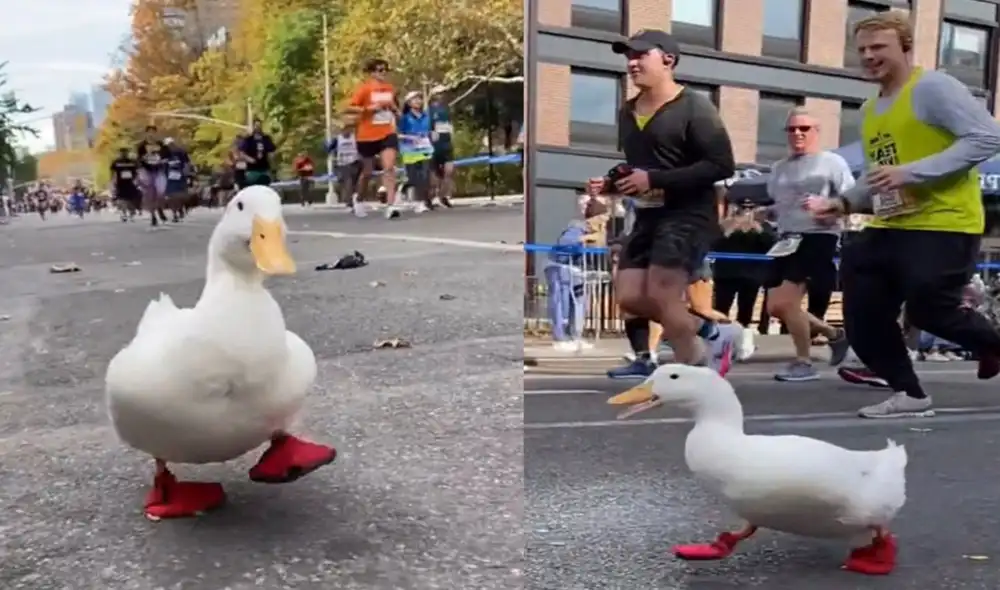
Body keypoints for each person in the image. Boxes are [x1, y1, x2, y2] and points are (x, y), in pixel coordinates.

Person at [807, 12, 1000, 418]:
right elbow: (879, 176)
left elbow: (987, 137)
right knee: (861, 310)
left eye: (879, 47)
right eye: (862, 49)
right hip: (890, 224)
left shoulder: (932, 87)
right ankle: (910, 394)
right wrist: (842, 202)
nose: (868, 56)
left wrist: (912, 172)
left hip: (944, 223)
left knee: (930, 311)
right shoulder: (871, 108)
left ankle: (991, 341)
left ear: (905, 47)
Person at [590, 29, 742, 377]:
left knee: (662, 292)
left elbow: (721, 165)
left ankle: (695, 371)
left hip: (689, 213)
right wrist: (612, 183)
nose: (632, 62)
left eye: (641, 55)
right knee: (629, 297)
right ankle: (714, 334)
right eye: (628, 56)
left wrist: (654, 180)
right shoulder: (628, 111)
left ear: (668, 60)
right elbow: (640, 168)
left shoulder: (695, 106)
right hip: (647, 215)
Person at [761, 107, 853, 382]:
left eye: (804, 129)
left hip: (818, 237)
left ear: (816, 132)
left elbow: (851, 201)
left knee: (786, 302)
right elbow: (780, 205)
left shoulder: (832, 163)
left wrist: (827, 208)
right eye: (792, 129)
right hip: (786, 239)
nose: (798, 134)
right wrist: (769, 213)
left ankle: (804, 361)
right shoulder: (779, 168)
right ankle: (834, 335)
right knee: (775, 307)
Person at [349, 58, 401, 219]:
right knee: (368, 172)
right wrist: (369, 108)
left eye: (385, 69)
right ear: (371, 72)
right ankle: (358, 199)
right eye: (379, 70)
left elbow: (397, 111)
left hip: (387, 132)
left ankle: (391, 206)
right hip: (367, 135)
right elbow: (350, 108)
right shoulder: (364, 89)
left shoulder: (390, 89)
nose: (383, 73)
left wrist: (395, 110)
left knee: (389, 168)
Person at [397, 90, 435, 212]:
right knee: (413, 177)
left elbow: (429, 131)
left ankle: (423, 201)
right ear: (408, 103)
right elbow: (397, 134)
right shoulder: (404, 118)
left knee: (425, 176)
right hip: (409, 150)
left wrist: (433, 134)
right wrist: (410, 137)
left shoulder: (426, 116)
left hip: (425, 148)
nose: (418, 101)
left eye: (419, 98)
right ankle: (405, 188)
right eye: (414, 99)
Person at [136, 124, 170, 227]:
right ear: (146, 133)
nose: (151, 134)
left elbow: (168, 156)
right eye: (149, 132)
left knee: (160, 193)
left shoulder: (161, 145)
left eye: (153, 132)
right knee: (150, 195)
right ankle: (153, 216)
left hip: (159, 170)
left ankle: (159, 209)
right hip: (147, 171)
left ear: (156, 133)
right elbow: (139, 160)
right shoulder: (141, 146)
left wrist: (163, 160)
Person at [330, 111, 363, 214]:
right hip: (343, 164)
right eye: (345, 129)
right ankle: (349, 203)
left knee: (355, 184)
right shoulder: (337, 139)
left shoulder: (355, 138)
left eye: (349, 129)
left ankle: (356, 200)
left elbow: (361, 148)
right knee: (348, 183)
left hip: (355, 163)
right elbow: (328, 149)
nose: (347, 131)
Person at [428, 85, 454, 208]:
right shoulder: (430, 110)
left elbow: (449, 126)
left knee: (449, 170)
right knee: (434, 174)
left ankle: (443, 196)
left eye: (444, 93)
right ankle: (432, 197)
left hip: (447, 144)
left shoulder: (448, 109)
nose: (442, 95)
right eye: (439, 93)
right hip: (434, 146)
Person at [239, 119, 276, 187]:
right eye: (256, 125)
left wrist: (272, 163)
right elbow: (242, 153)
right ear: (253, 127)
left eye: (259, 125)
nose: (258, 127)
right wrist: (250, 159)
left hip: (264, 169)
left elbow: (272, 151)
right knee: (253, 187)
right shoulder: (248, 139)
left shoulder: (266, 139)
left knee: (265, 188)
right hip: (252, 170)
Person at [163, 138, 191, 222]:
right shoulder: (165, 154)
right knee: (171, 197)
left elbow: (187, 163)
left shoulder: (181, 152)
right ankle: (175, 214)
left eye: (171, 144)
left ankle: (180, 209)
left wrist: (186, 173)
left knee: (180, 196)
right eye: (168, 145)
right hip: (169, 177)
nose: (170, 146)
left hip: (180, 176)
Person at [110, 147, 140, 222]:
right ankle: (124, 214)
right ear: (120, 153)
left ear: (127, 153)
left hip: (130, 182)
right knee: (121, 199)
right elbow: (113, 172)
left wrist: (137, 180)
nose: (124, 154)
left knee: (132, 199)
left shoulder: (132, 162)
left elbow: (137, 172)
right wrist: (113, 181)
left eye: (125, 152)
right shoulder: (116, 162)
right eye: (122, 152)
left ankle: (132, 213)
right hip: (120, 182)